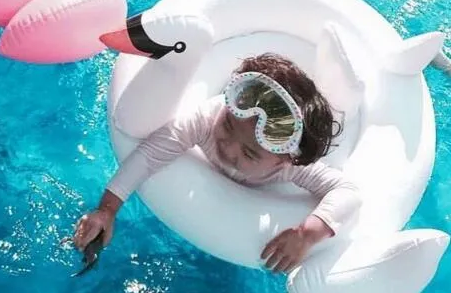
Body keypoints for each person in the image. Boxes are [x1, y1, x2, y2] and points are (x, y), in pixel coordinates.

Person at [73, 53, 362, 273]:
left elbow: (347, 192)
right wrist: (107, 210)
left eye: (249, 154)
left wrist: (306, 235)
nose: (228, 147)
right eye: (228, 128)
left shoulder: (290, 164)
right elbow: (150, 154)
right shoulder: (208, 118)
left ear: (285, 159)